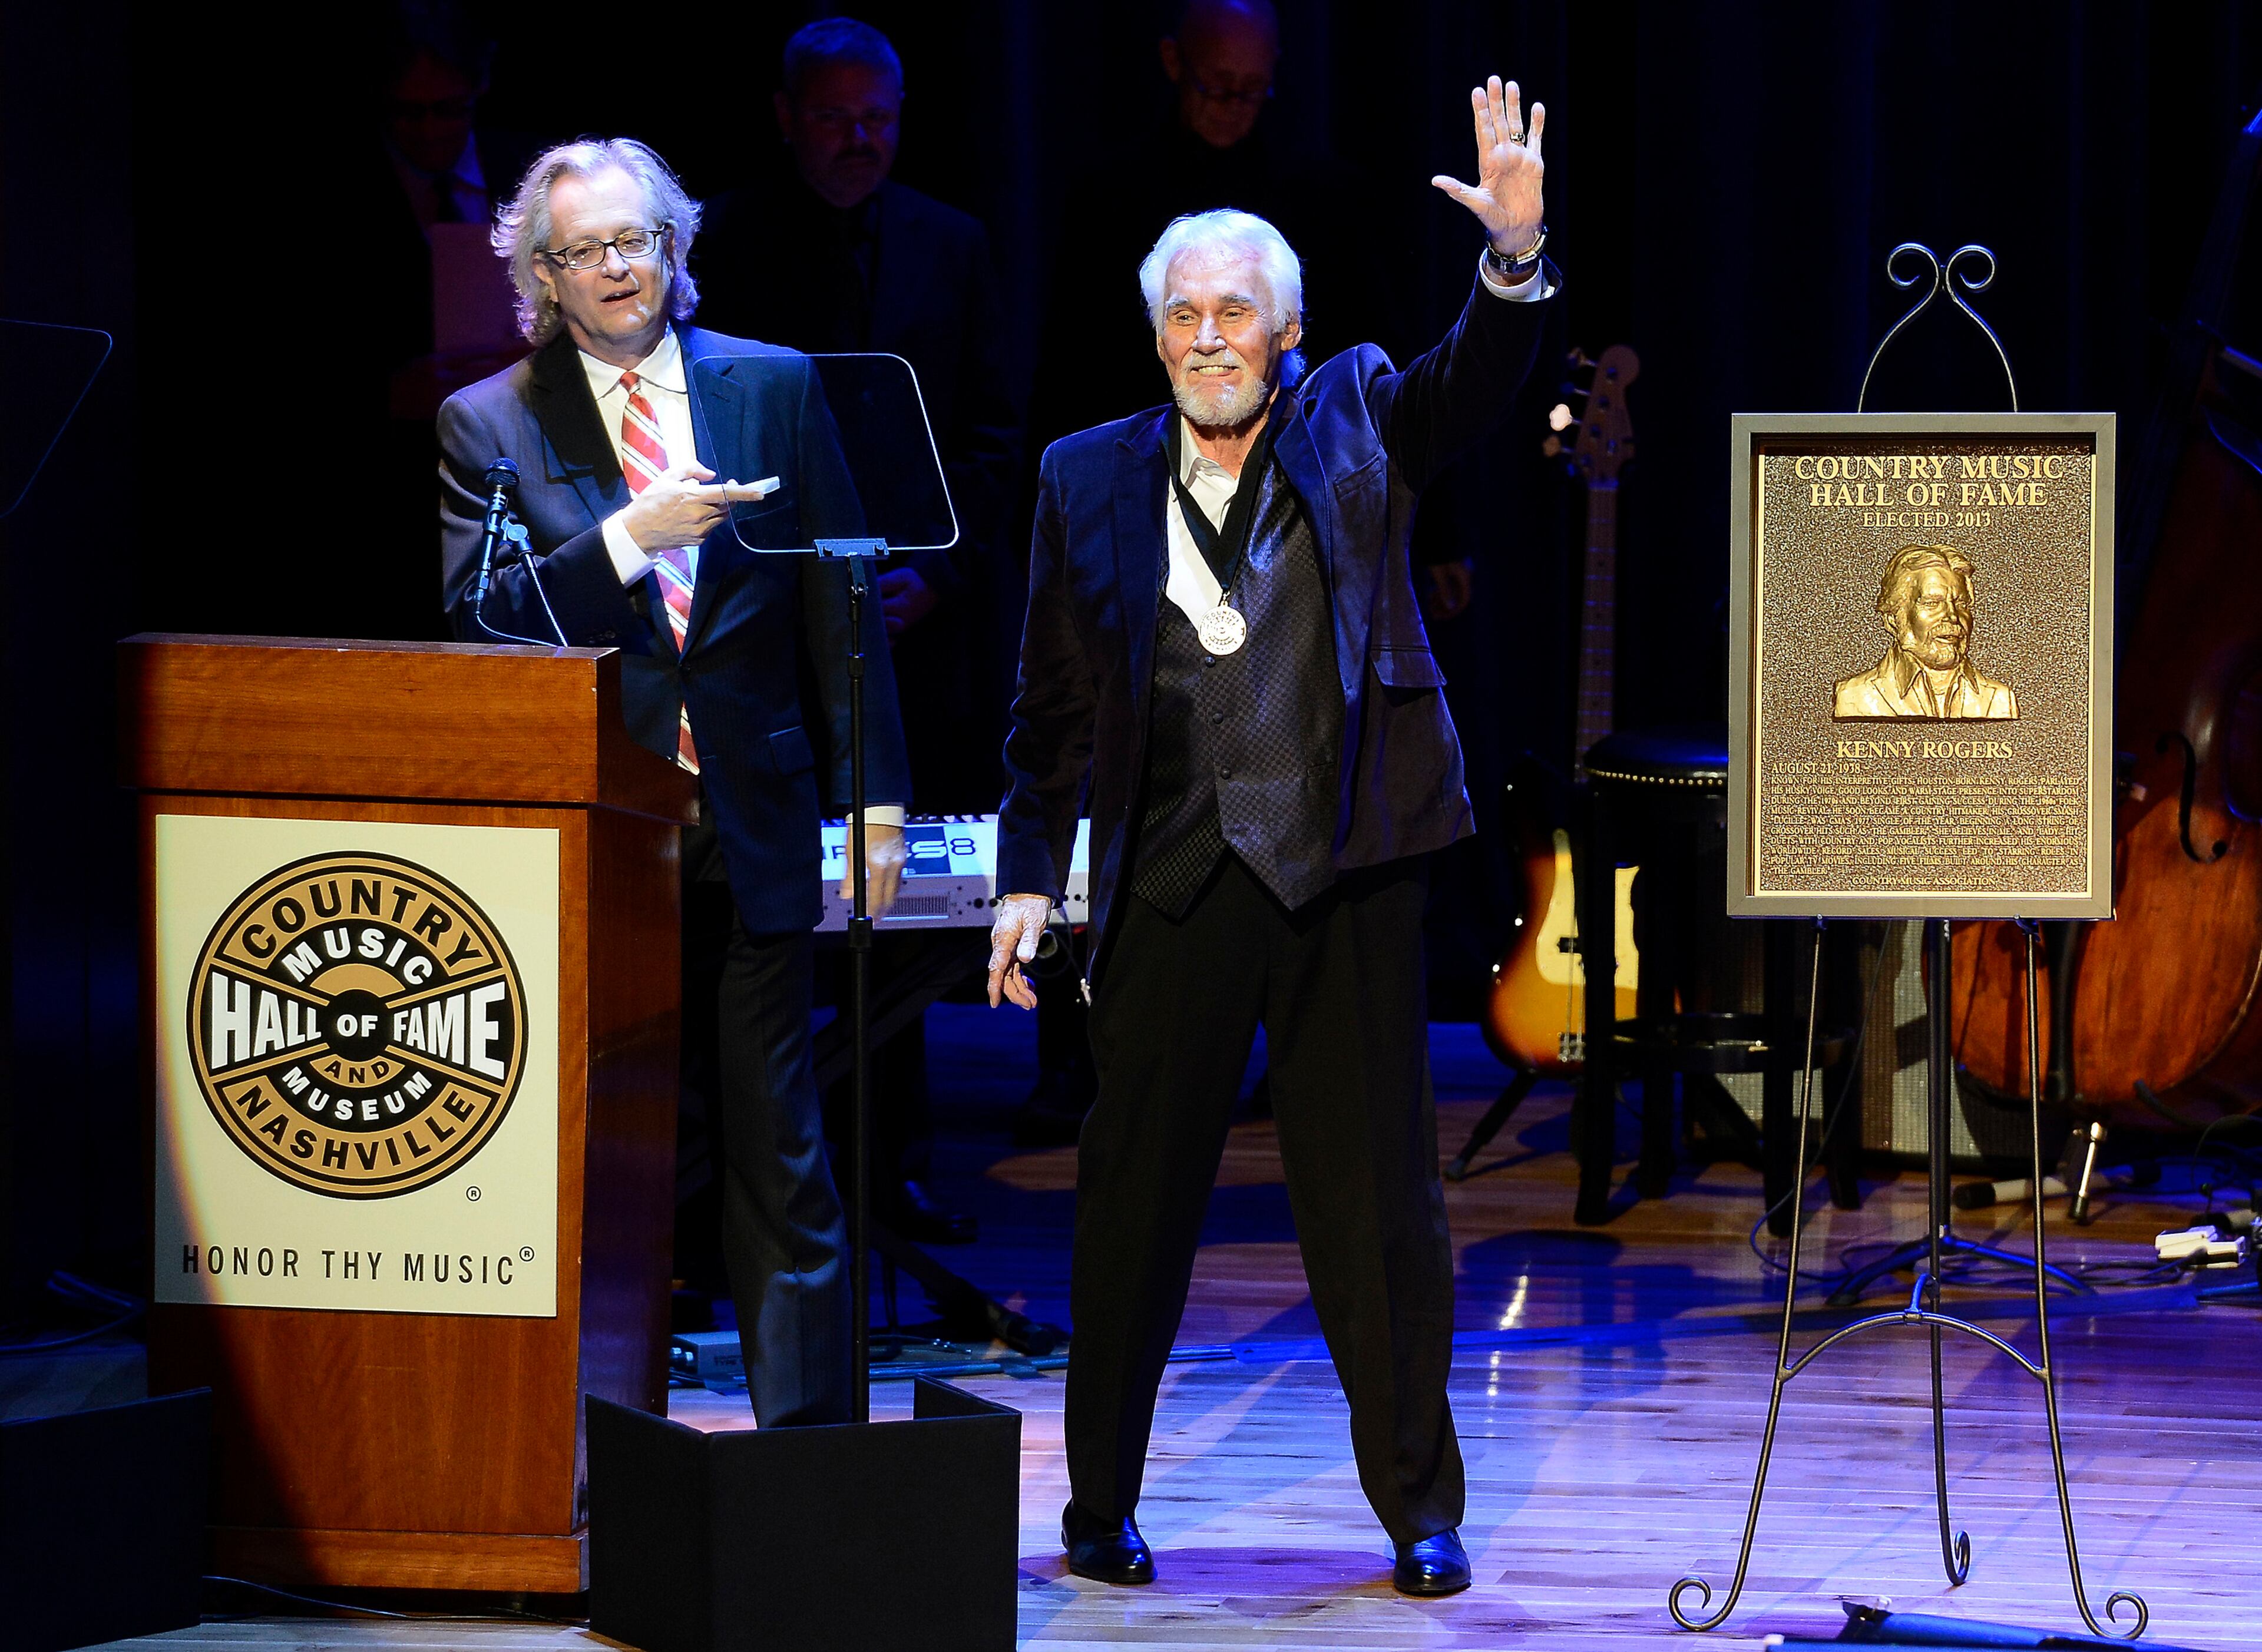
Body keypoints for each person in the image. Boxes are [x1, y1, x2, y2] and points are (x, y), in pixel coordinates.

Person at [985, 80, 1556, 1596]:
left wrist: (1510, 258)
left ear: (1285, 329)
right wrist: (1028, 876)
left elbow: (1472, 380)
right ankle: (1096, 1502)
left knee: (1376, 1210)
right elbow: (1045, 702)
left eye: (1236, 310)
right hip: (1170, 880)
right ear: (1155, 334)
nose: (1208, 335)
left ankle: (1415, 1507)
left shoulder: (1359, 411)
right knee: (1131, 1208)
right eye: (1183, 313)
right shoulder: (1081, 475)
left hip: (1340, 872)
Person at [437, 137, 912, 1428]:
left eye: (635, 240)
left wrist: (874, 792)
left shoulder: (773, 385)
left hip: (753, 816)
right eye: (585, 251)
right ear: (542, 273)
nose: (616, 269)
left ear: (675, 246)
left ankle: (813, 1468)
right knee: (600, 1165)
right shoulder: (489, 419)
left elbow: (842, 600)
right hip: (599, 843)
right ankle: (586, 1462)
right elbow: (481, 621)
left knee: (784, 1157)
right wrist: (627, 541)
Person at [695, 16, 1023, 1243]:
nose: (857, 140)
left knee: (899, 904)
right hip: (762, 640)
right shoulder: (720, 240)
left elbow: (996, 436)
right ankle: (742, 1178)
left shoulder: (953, 242)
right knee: (766, 910)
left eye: (877, 118)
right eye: (833, 117)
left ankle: (898, 1165)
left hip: (913, 634)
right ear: (785, 116)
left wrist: (936, 579)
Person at [1834, 543, 2018, 719]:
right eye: (1932, 604)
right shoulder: (1855, 696)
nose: (1952, 616)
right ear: (1894, 619)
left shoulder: (1999, 700)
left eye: (1961, 604)